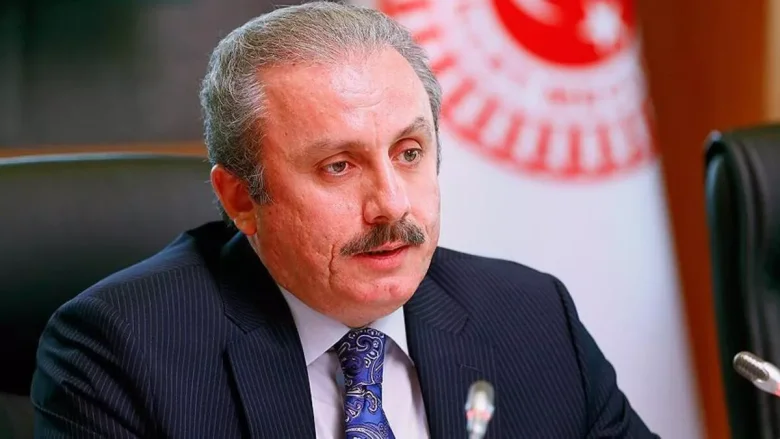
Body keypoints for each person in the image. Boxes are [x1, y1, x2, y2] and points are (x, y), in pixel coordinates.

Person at [31, 2, 660, 438]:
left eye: (409, 153)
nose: (392, 204)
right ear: (241, 199)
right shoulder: (120, 352)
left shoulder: (531, 317)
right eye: (338, 166)